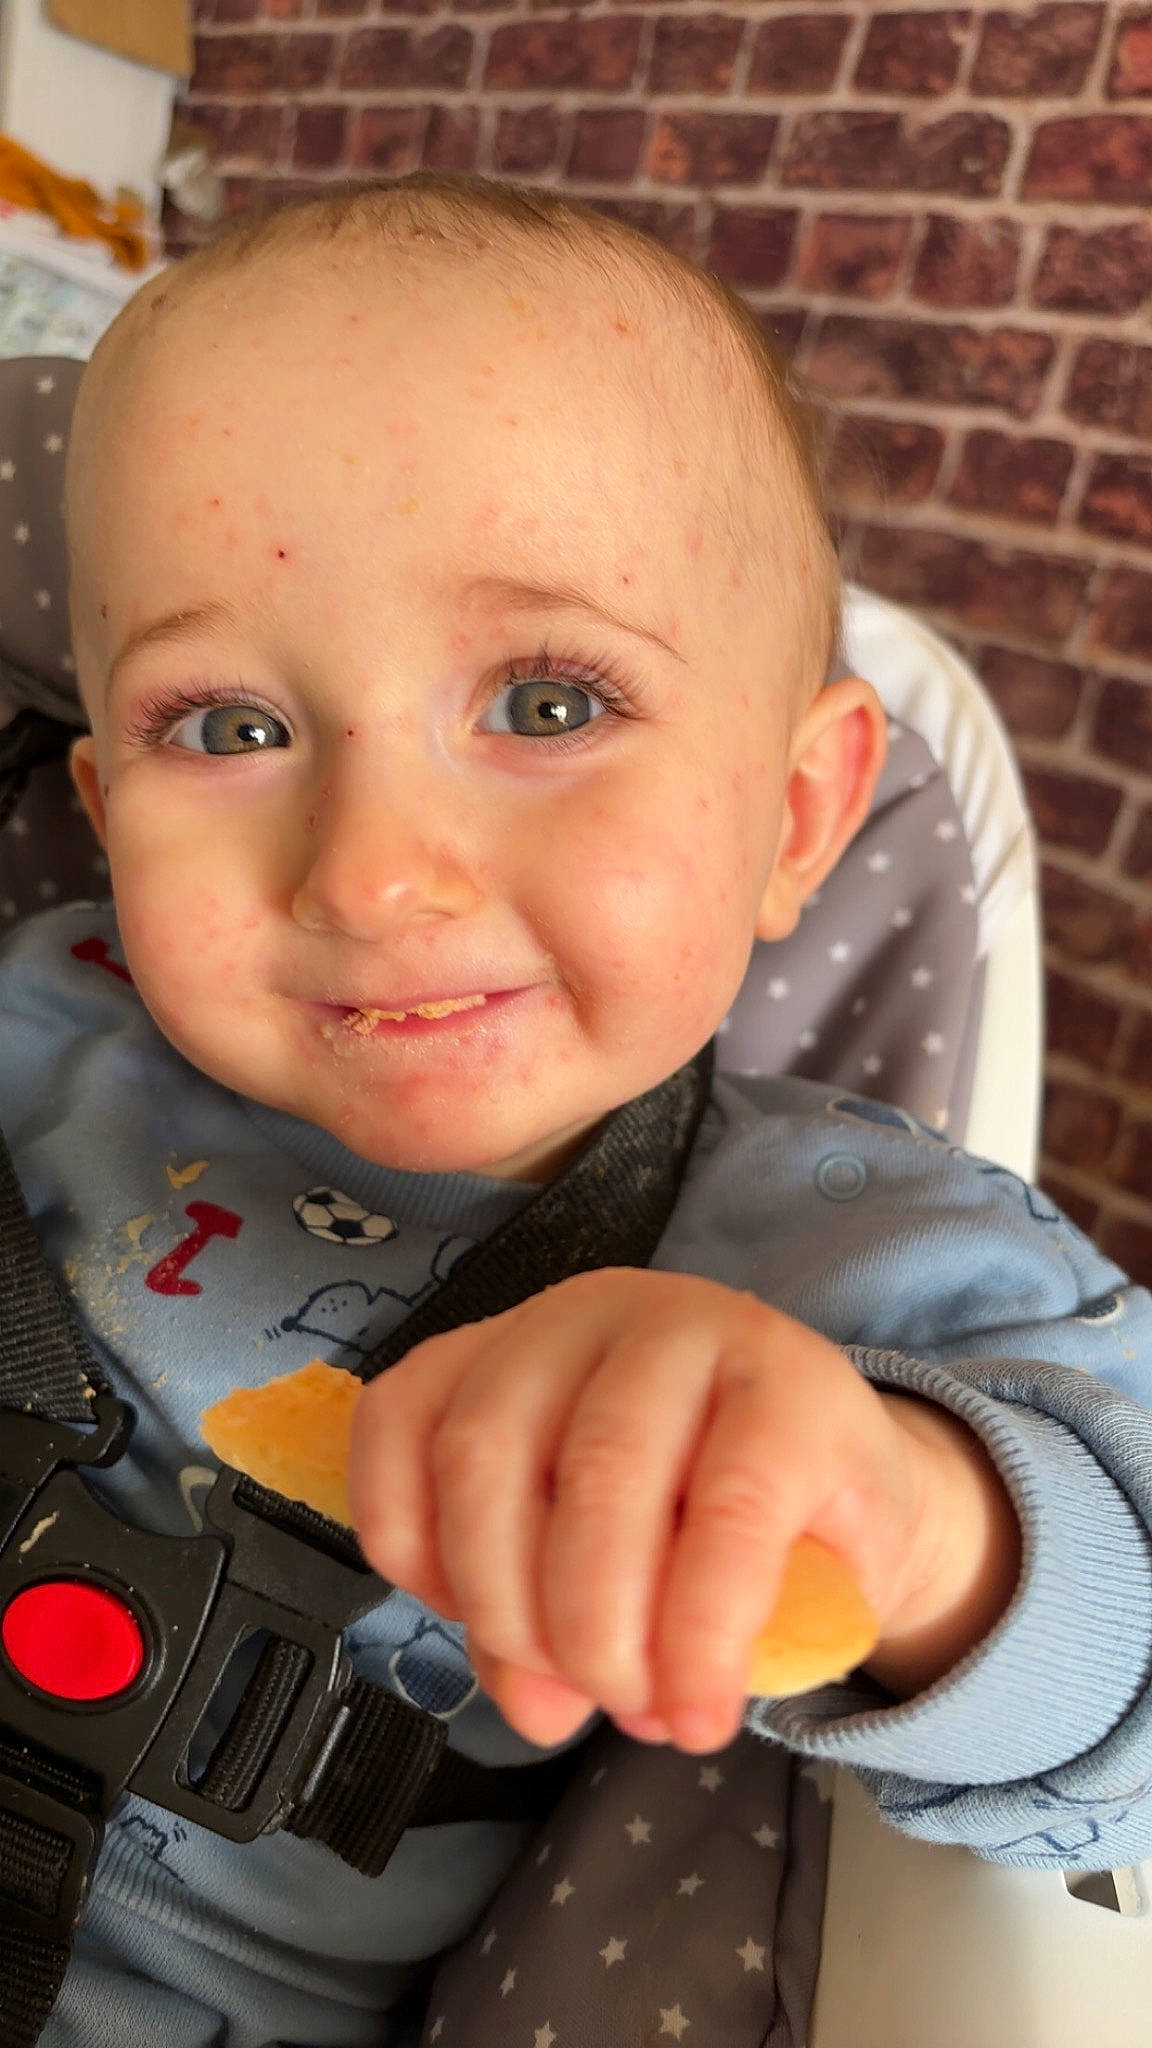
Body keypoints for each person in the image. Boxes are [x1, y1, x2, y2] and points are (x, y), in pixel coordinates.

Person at [4, 171, 1151, 2046]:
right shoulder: (48, 1023)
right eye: (228, 729)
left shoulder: (843, 1248)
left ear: (793, 816)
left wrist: (919, 1519)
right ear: (104, 792)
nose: (372, 874)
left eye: (546, 704)